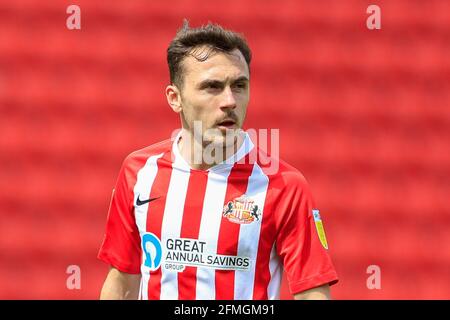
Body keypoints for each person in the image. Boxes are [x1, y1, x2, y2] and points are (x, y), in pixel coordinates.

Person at [98, 20, 338, 300]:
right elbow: (122, 283)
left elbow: (313, 293)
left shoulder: (283, 186)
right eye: (212, 87)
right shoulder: (139, 172)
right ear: (175, 98)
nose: (230, 101)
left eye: (239, 85)